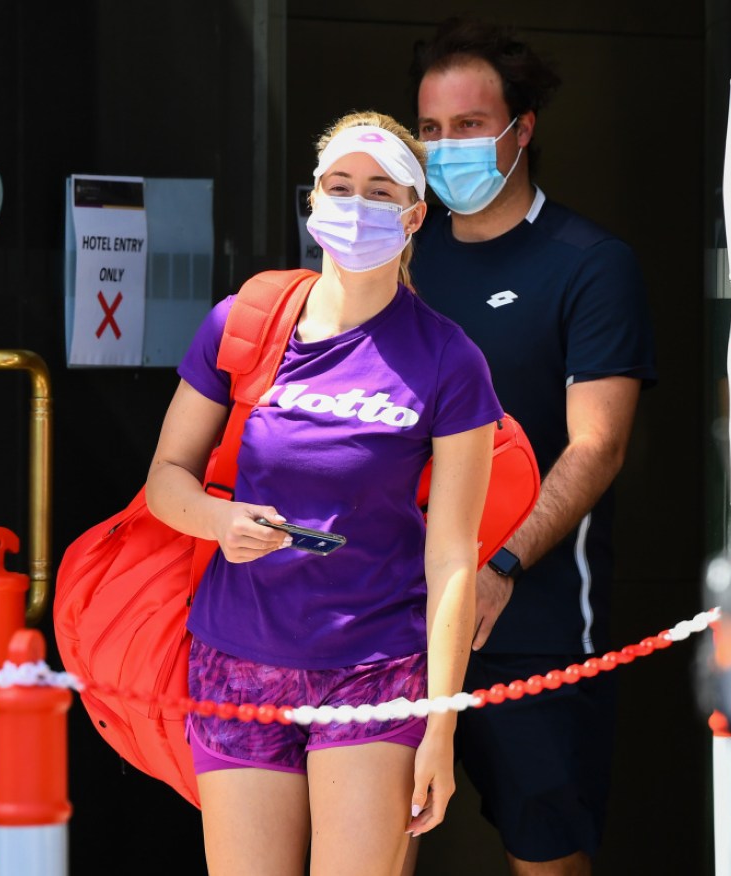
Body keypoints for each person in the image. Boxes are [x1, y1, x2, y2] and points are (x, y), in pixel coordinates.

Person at [144, 111, 503, 876]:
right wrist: (220, 519)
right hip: (237, 662)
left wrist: (439, 722)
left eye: (380, 192)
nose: (357, 204)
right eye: (340, 186)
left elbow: (452, 559)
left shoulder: (449, 358)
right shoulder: (242, 324)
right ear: (312, 202)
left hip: (375, 670)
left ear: (414, 216)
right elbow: (164, 481)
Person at [405, 18, 658, 876]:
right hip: (390, 611)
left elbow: (597, 444)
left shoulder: (588, 264)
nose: (447, 150)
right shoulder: (398, 261)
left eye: (469, 127)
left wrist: (501, 567)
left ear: (522, 130)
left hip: (532, 620)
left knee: (545, 852)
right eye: (430, 132)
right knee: (371, 842)